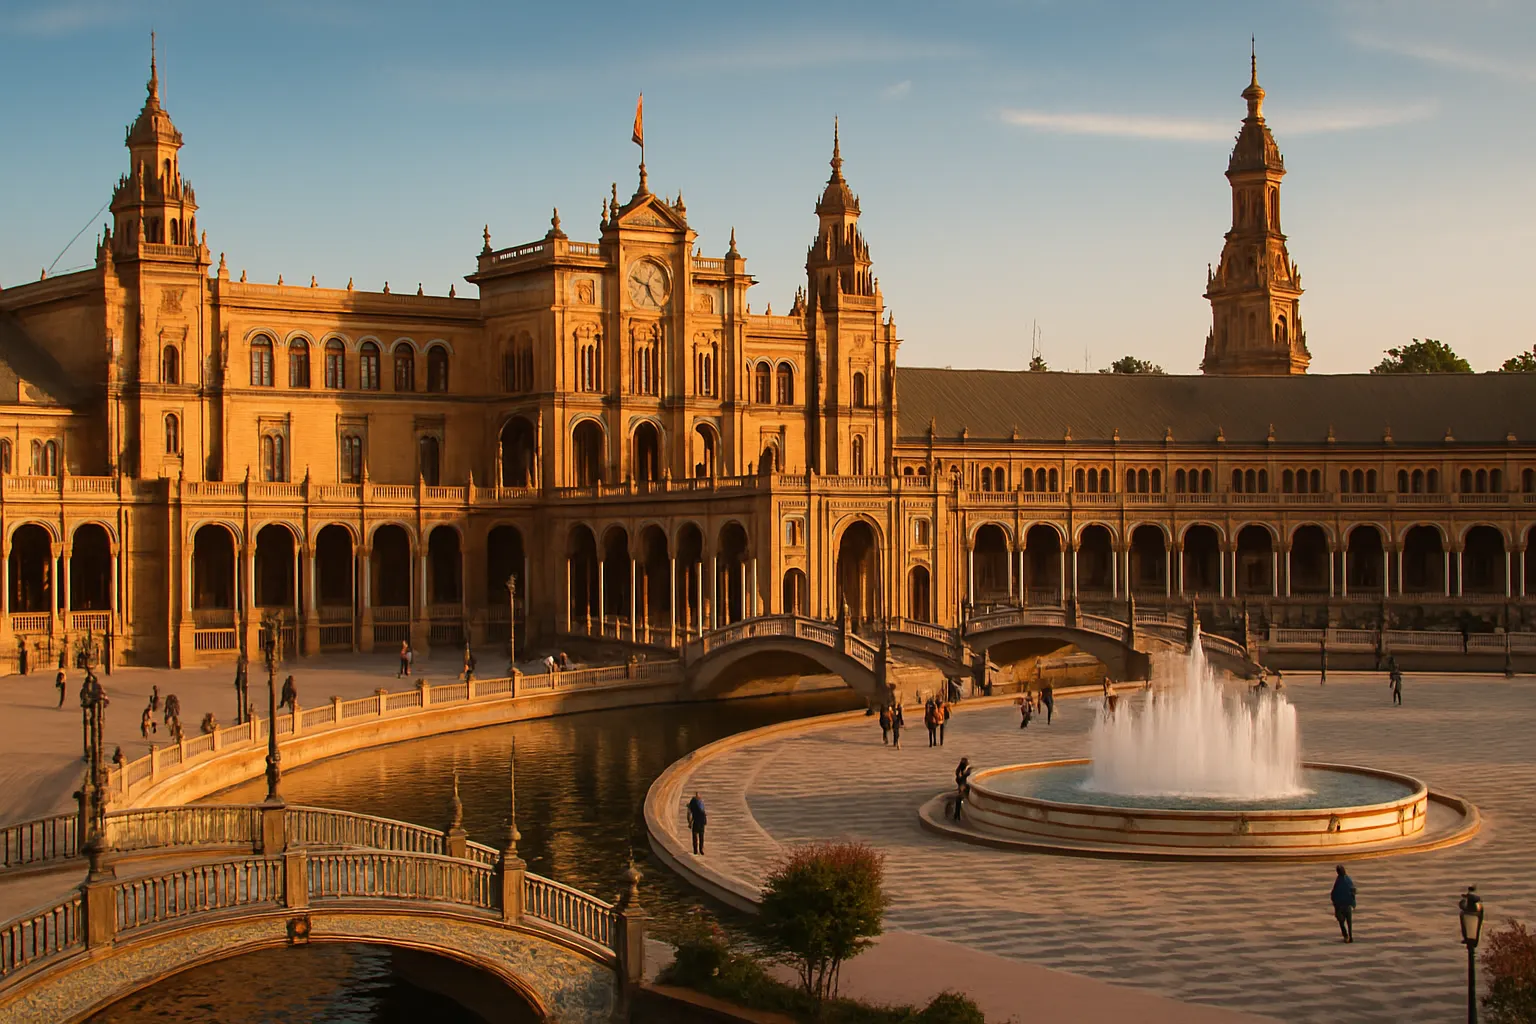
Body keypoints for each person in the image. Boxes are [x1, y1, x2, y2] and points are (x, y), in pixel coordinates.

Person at [1330, 865, 1356, 942]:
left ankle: (1346, 936)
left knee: (1341, 922)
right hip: (1348, 904)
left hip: (1340, 906)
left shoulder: (1338, 881)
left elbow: (1334, 894)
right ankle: (1350, 936)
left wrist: (1335, 903)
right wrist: (1353, 903)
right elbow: (1353, 891)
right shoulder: (1348, 879)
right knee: (1349, 922)